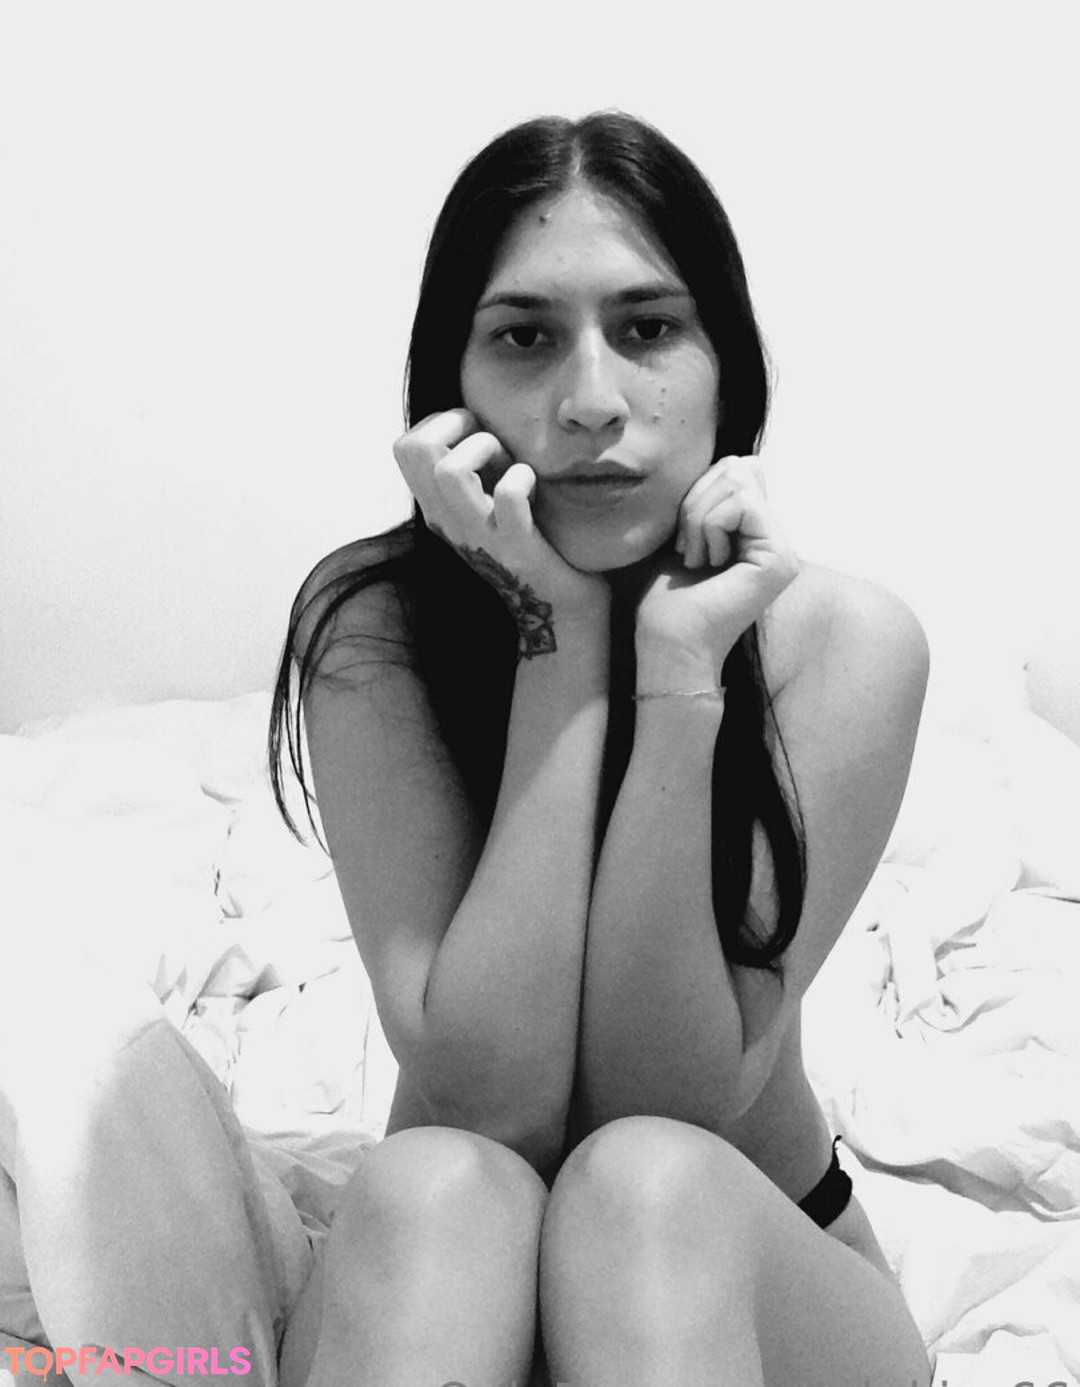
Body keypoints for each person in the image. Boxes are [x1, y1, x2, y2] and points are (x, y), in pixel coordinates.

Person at [266, 111, 932, 1387]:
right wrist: (555, 636)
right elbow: (486, 1100)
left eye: (648, 329)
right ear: (453, 384)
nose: (589, 403)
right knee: (434, 1184)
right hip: (446, 1277)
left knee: (641, 1187)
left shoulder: (847, 642)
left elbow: (662, 1102)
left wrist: (680, 675)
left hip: (737, 1266)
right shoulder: (376, 627)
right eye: (525, 337)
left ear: (728, 366)